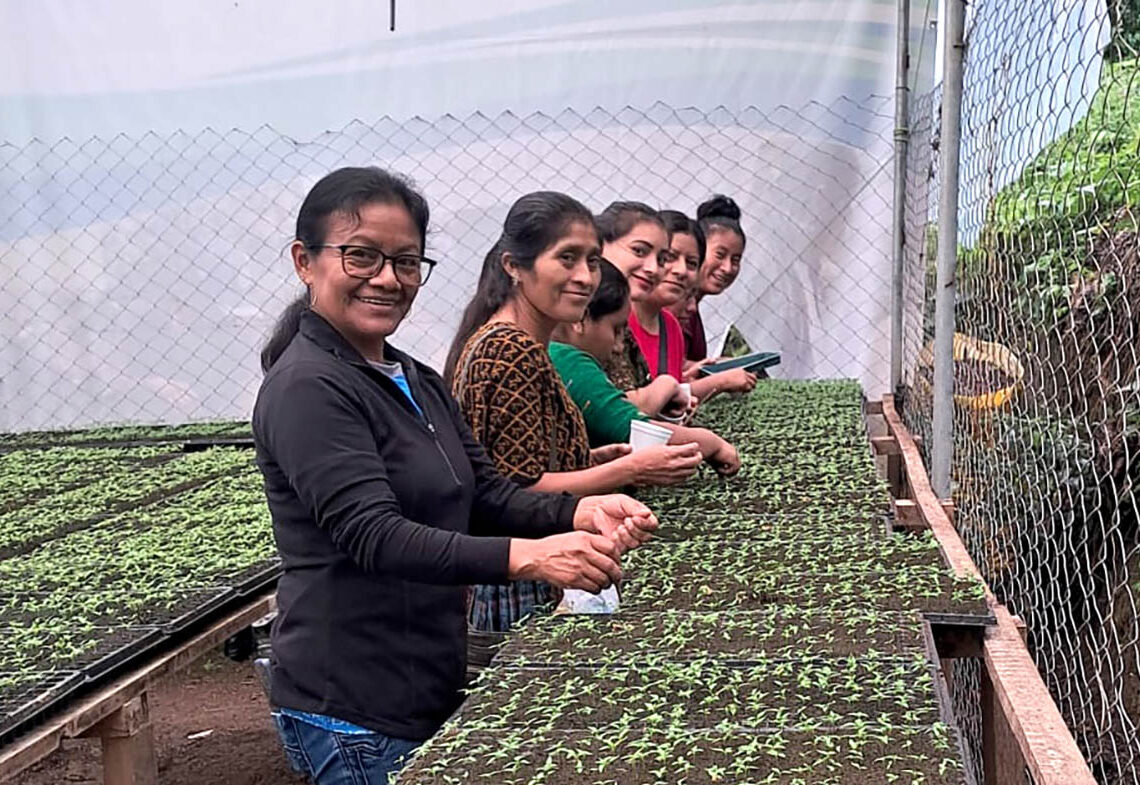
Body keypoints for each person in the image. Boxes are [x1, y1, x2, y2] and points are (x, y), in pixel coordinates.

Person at [252, 167, 658, 784]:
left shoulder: (412, 378)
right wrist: (529, 556)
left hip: (420, 680)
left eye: (406, 262)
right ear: (305, 261)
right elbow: (374, 535)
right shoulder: (308, 387)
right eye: (361, 256)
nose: (387, 278)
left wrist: (580, 511)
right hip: (353, 706)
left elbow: (484, 491)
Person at [444, 192, 702, 631]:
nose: (585, 277)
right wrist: (630, 468)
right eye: (567, 258)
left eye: (592, 261)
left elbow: (517, 462)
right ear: (514, 266)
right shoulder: (508, 350)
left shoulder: (524, 344)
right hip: (521, 575)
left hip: (537, 562)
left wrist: (591, 458)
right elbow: (516, 491)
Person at [550, 259, 740, 474]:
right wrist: (712, 444)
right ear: (580, 320)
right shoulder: (569, 362)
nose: (619, 345)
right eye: (616, 330)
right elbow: (632, 430)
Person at [685, 194, 748, 362]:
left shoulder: (692, 309)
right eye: (720, 255)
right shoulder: (674, 308)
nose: (727, 268)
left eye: (735, 260)